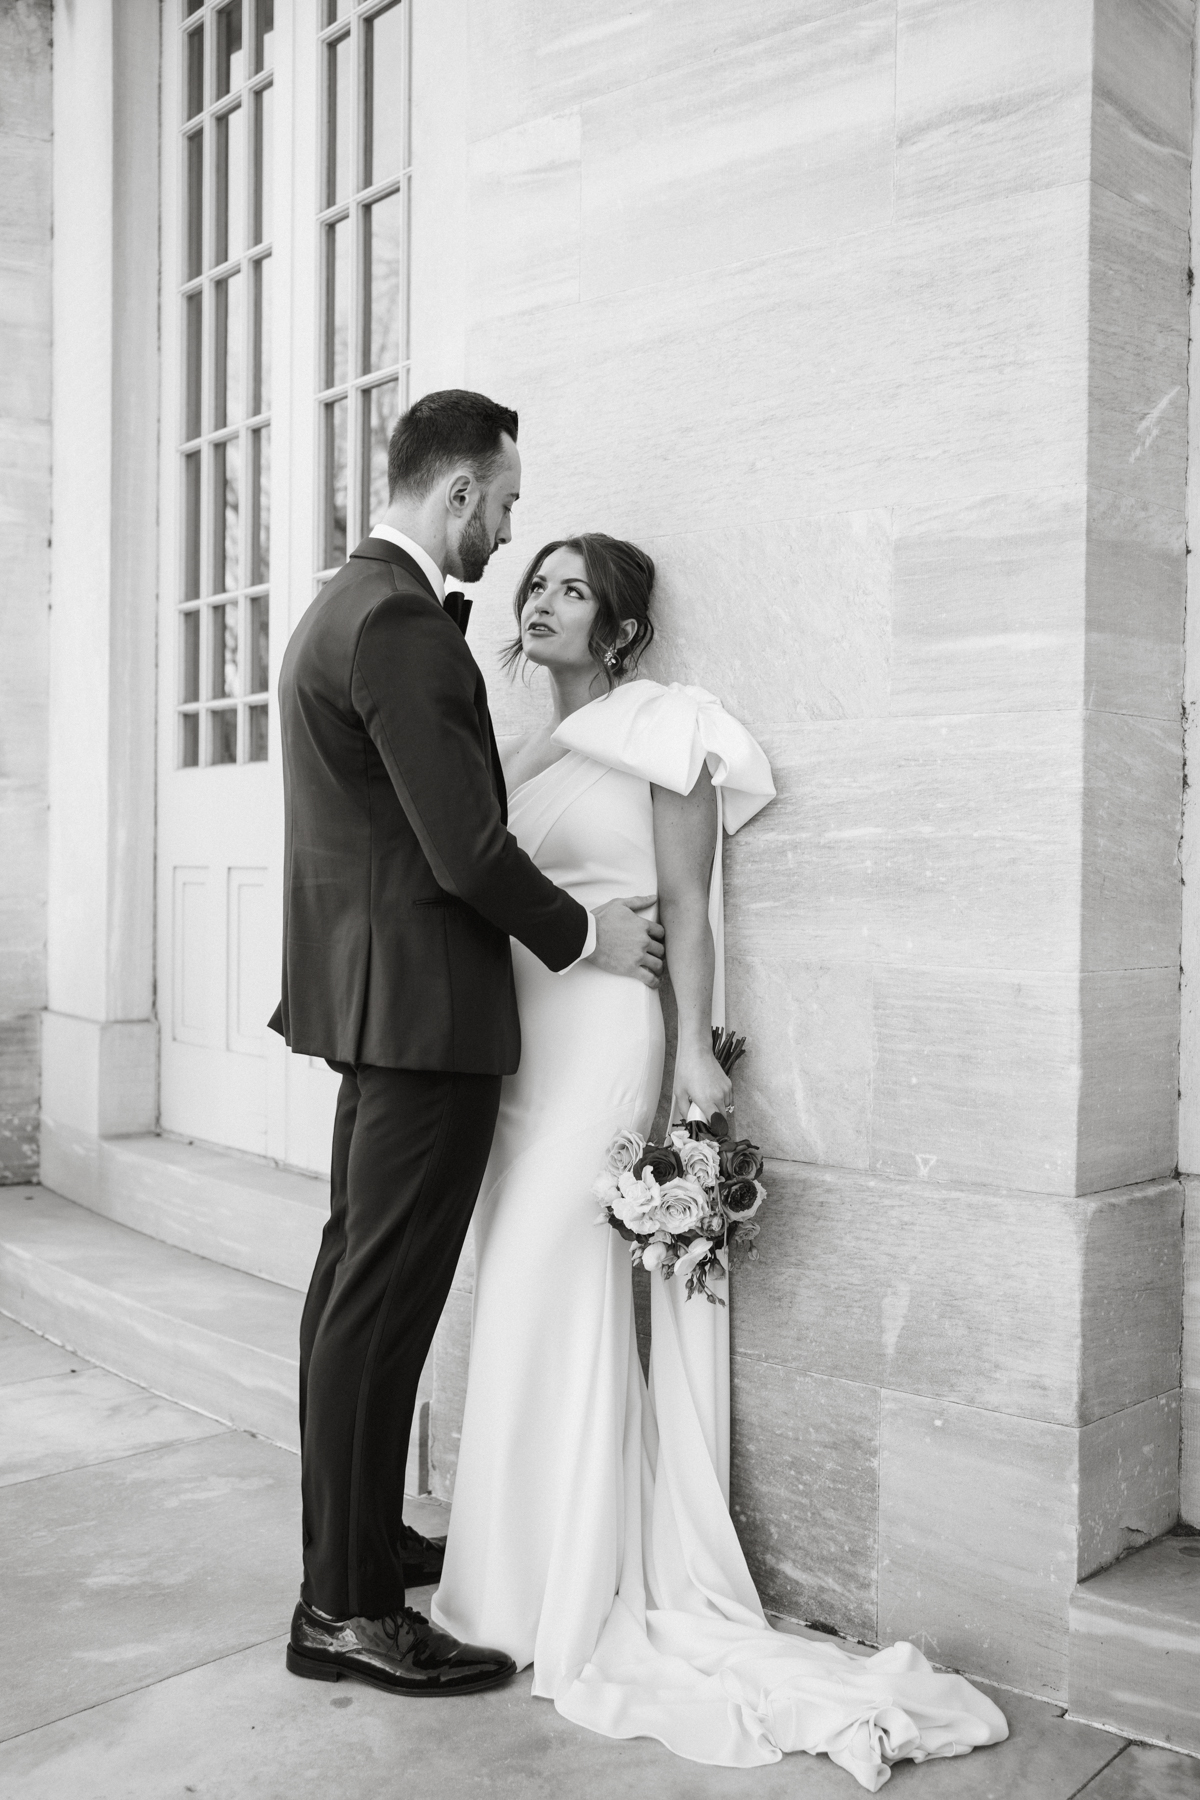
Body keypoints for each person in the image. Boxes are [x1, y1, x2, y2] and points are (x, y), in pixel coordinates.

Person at [431, 533, 1009, 1788]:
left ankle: (563, 1588)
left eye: (572, 590)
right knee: (520, 1298)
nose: (542, 602)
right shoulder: (521, 751)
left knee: (557, 1286)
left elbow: (688, 907)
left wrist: (695, 1055)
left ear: (623, 629)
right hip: (520, 1049)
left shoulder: (668, 729)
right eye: (537, 584)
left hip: (603, 1049)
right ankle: (510, 1579)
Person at [270, 392, 665, 1696]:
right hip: (426, 1016)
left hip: (383, 1006)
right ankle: (348, 1609)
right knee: (378, 1305)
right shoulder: (396, 626)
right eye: (502, 503)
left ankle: (359, 1546)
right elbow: (465, 850)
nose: (506, 531)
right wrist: (586, 940)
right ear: (455, 495)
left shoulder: (345, 608)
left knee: (354, 1292)